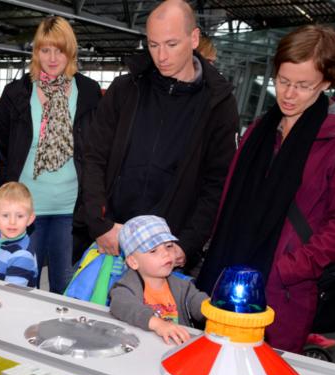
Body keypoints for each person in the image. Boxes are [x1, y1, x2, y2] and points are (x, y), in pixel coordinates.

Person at [197, 25, 335, 354]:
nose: (288, 94)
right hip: (227, 276)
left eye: (303, 86)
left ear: (327, 82)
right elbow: (229, 194)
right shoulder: (261, 129)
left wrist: (290, 268)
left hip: (283, 290)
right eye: (283, 81)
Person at [73, 0, 239, 273]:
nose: (161, 55)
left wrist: (186, 245)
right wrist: (99, 223)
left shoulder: (218, 105)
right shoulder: (125, 89)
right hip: (111, 239)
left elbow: (216, 184)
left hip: (167, 254)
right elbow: (94, 156)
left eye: (171, 44)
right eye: (153, 44)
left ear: (194, 38)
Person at [0, 16, 101, 294]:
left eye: (60, 50)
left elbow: (99, 149)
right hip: (25, 211)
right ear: (36, 52)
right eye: (45, 50)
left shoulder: (89, 92)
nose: (52, 58)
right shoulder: (16, 93)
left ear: (71, 51)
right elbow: (0, 149)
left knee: (65, 287)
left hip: (71, 210)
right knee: (22, 284)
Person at [110, 215, 206, 345]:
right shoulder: (126, 288)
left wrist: (217, 308)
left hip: (175, 348)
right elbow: (120, 305)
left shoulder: (184, 287)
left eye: (169, 246)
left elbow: (201, 305)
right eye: (153, 250)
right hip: (139, 347)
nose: (166, 253)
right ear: (133, 262)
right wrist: (158, 324)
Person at [0, 181, 38, 287]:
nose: (12, 222)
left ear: (30, 219)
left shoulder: (22, 256)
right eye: (5, 215)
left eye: (20, 216)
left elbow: (11, 294)